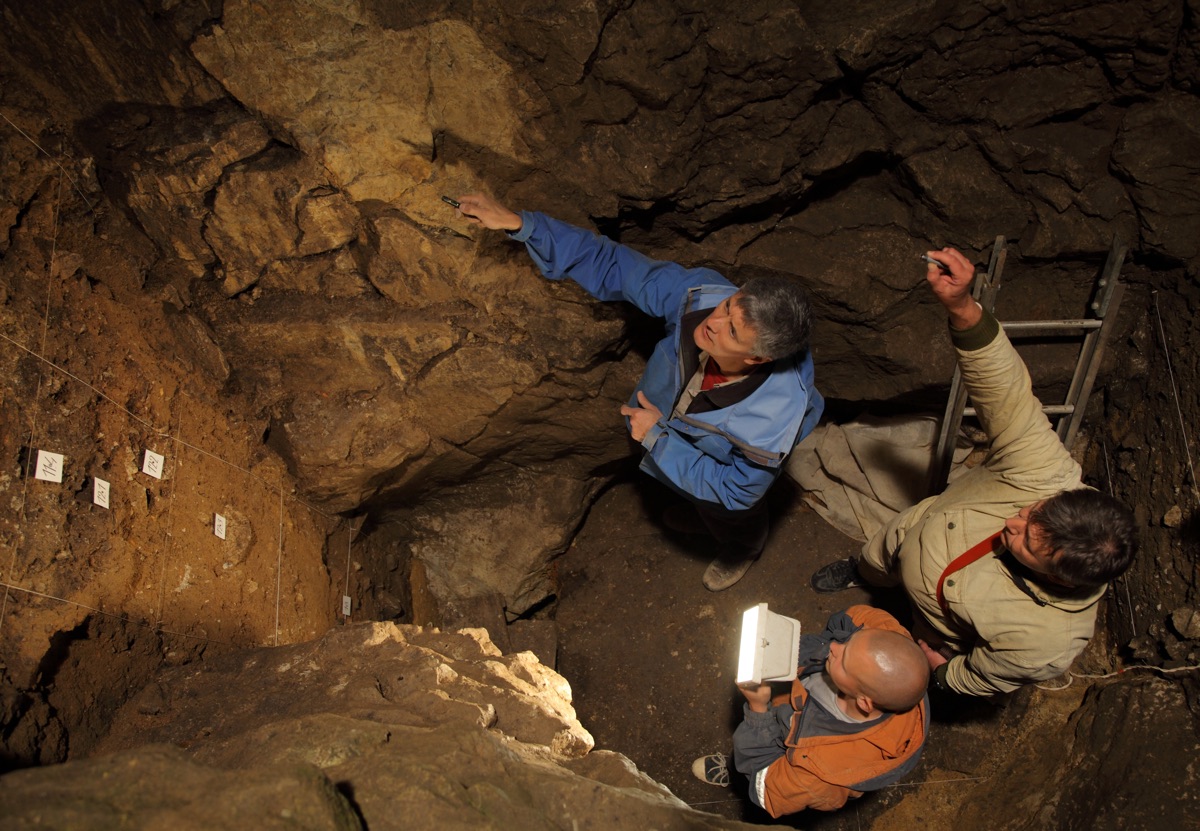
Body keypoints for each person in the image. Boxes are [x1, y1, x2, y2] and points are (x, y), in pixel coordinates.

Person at [811, 247, 1138, 696]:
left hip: (934, 626)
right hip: (912, 532)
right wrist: (963, 308)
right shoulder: (1046, 473)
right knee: (878, 554)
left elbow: (985, 675)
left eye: (1026, 541)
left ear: (1059, 577)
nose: (1012, 523)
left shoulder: (1046, 641)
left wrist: (939, 674)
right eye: (1032, 512)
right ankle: (863, 572)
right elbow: (1006, 394)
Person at [456, 193, 823, 591]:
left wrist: (657, 437)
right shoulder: (701, 299)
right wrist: (521, 224)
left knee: (730, 510)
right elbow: (614, 263)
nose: (713, 322)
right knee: (691, 483)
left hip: (722, 456)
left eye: (731, 331)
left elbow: (735, 491)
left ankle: (740, 545)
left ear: (757, 359)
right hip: (678, 423)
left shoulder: (770, 423)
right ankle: (701, 510)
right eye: (728, 306)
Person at [692, 605, 929, 817]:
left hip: (781, 754)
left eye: (844, 662)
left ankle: (735, 774)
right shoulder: (887, 638)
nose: (834, 646)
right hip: (794, 700)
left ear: (865, 702)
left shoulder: (820, 776)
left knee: (750, 772)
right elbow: (848, 618)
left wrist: (758, 709)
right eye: (848, 644)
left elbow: (767, 790)